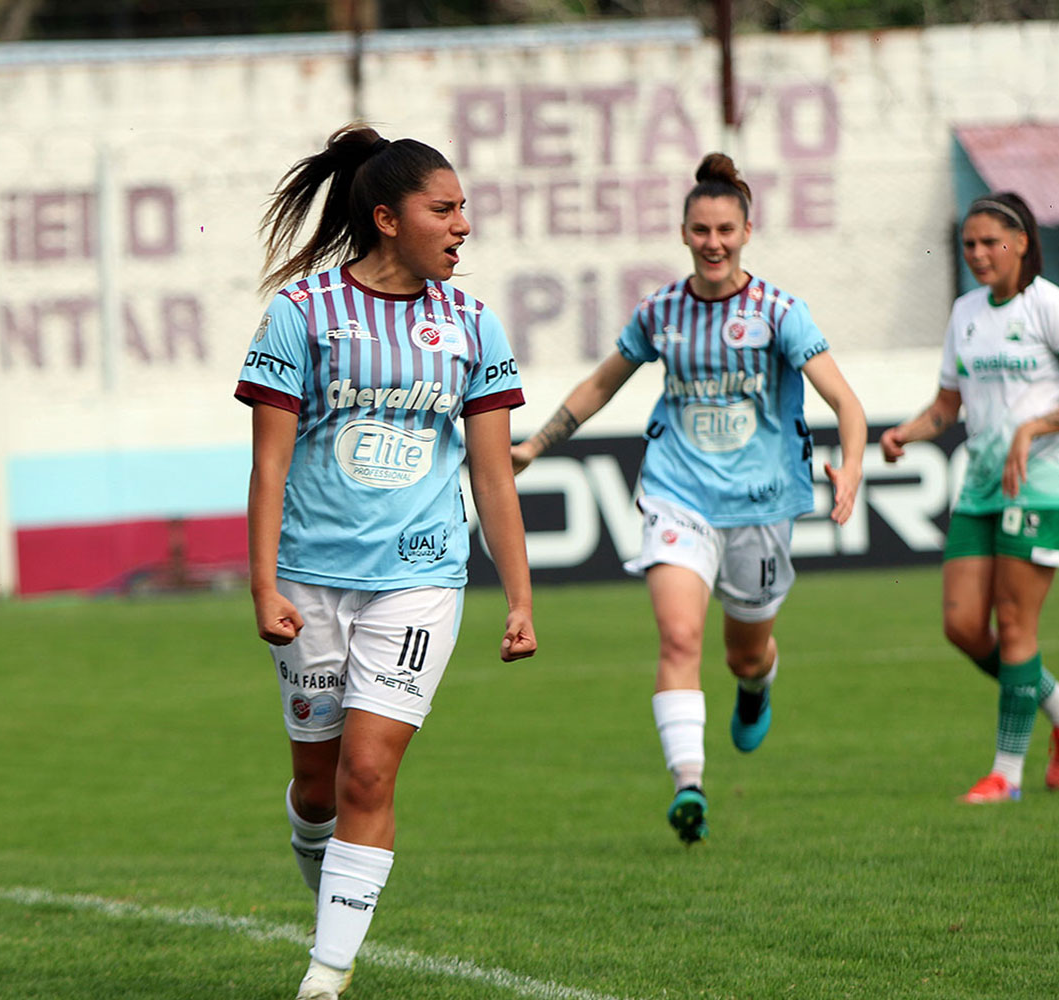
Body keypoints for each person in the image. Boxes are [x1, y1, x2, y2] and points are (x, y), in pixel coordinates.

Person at [235, 123, 537, 1000]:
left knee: (371, 768)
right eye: (443, 209)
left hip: (421, 578)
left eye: (464, 209)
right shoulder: (302, 314)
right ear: (386, 218)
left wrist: (519, 597)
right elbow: (269, 466)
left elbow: (491, 473)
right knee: (319, 783)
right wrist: (262, 585)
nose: (463, 225)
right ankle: (325, 877)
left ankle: (325, 977)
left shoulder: (473, 323)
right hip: (307, 580)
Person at [511, 152, 865, 845]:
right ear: (682, 233)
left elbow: (844, 400)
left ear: (747, 230)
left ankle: (758, 683)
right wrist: (535, 446)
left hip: (761, 505)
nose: (713, 242)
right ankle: (690, 785)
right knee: (678, 636)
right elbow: (600, 385)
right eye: (700, 230)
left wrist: (849, 468)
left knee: (743, 653)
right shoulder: (660, 312)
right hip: (678, 494)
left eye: (725, 229)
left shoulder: (779, 312)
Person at [881, 191, 1059, 804]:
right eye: (967, 244)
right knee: (963, 627)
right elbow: (947, 406)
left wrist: (1034, 427)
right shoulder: (966, 312)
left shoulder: (1052, 308)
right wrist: (905, 433)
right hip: (980, 489)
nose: (976, 253)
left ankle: (1007, 774)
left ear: (1022, 243)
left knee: (1014, 626)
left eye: (988, 242)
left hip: (1042, 489)